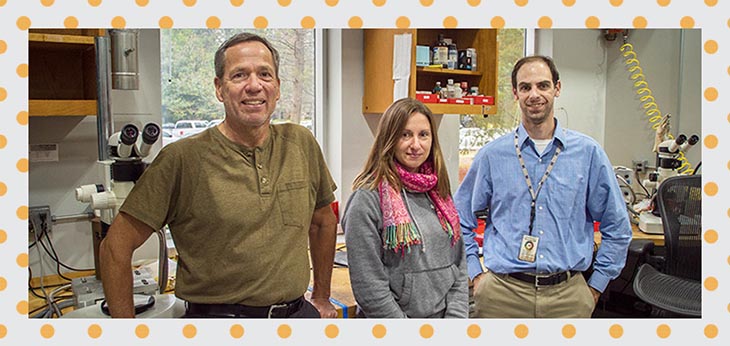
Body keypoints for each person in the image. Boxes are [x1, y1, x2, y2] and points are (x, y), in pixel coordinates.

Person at [99, 32, 339, 318]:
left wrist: (322, 297)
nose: (254, 85)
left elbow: (323, 221)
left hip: (298, 314)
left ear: (277, 87)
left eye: (265, 74)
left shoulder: (301, 142)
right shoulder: (183, 159)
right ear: (219, 88)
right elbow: (115, 247)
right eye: (239, 75)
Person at [454, 55, 632, 318]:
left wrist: (595, 287)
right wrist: (475, 274)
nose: (534, 94)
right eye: (525, 87)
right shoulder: (492, 156)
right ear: (515, 93)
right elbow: (459, 218)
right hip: (502, 295)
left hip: (568, 297)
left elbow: (617, 226)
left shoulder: (588, 154)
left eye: (543, 85)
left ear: (557, 88)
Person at [342, 98, 469, 318]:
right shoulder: (367, 199)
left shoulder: (439, 193)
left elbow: (458, 265)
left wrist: (455, 322)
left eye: (423, 135)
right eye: (405, 134)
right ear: (389, 138)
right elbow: (369, 287)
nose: (416, 145)